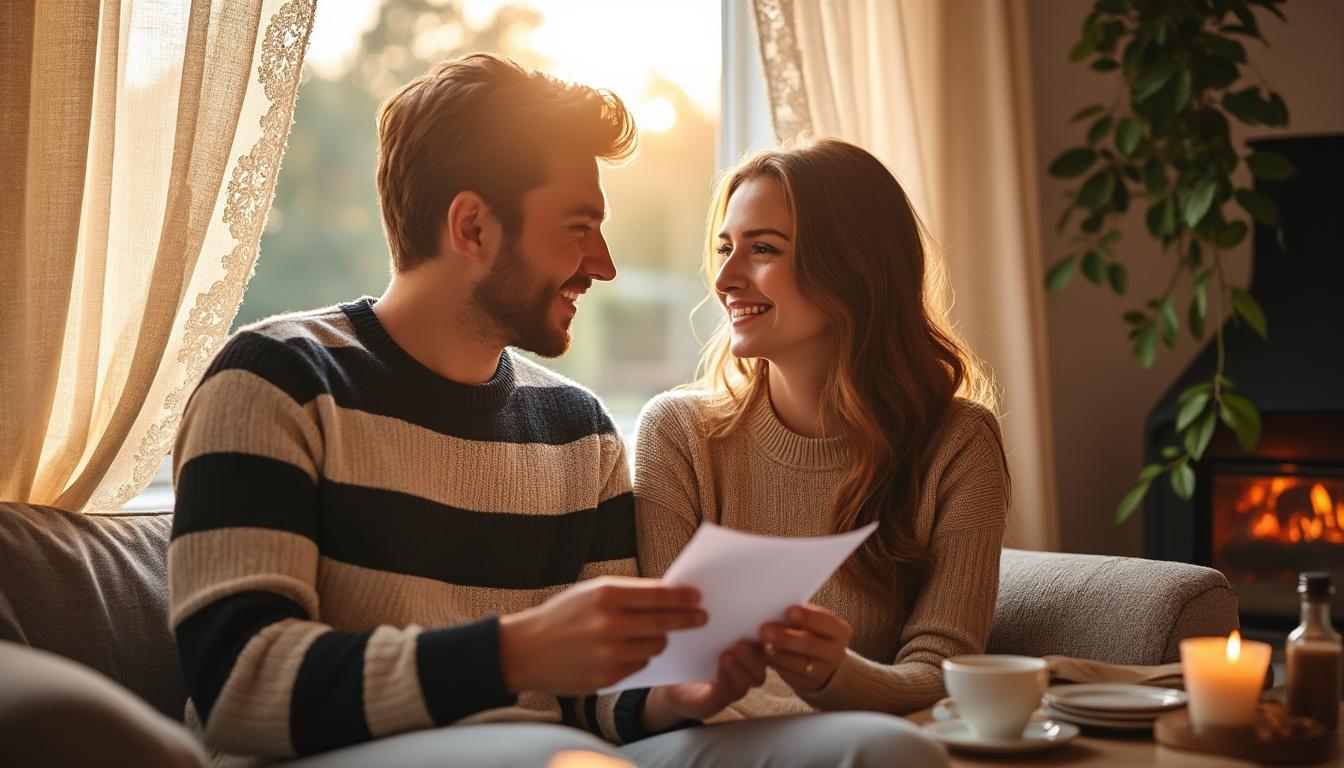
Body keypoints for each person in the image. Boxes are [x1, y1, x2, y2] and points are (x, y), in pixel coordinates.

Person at [170, 55, 945, 768]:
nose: (603, 265)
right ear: (472, 226)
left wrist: (680, 693)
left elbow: (601, 697)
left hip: (560, 753)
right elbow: (239, 685)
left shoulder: (577, 426)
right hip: (339, 753)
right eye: (579, 228)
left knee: (880, 751)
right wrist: (513, 654)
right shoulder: (276, 381)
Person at [635, 138, 1010, 721]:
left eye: (762, 249)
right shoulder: (678, 436)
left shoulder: (957, 443)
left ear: (852, 266)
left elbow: (944, 670)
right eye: (724, 248)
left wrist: (837, 675)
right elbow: (670, 668)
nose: (727, 279)